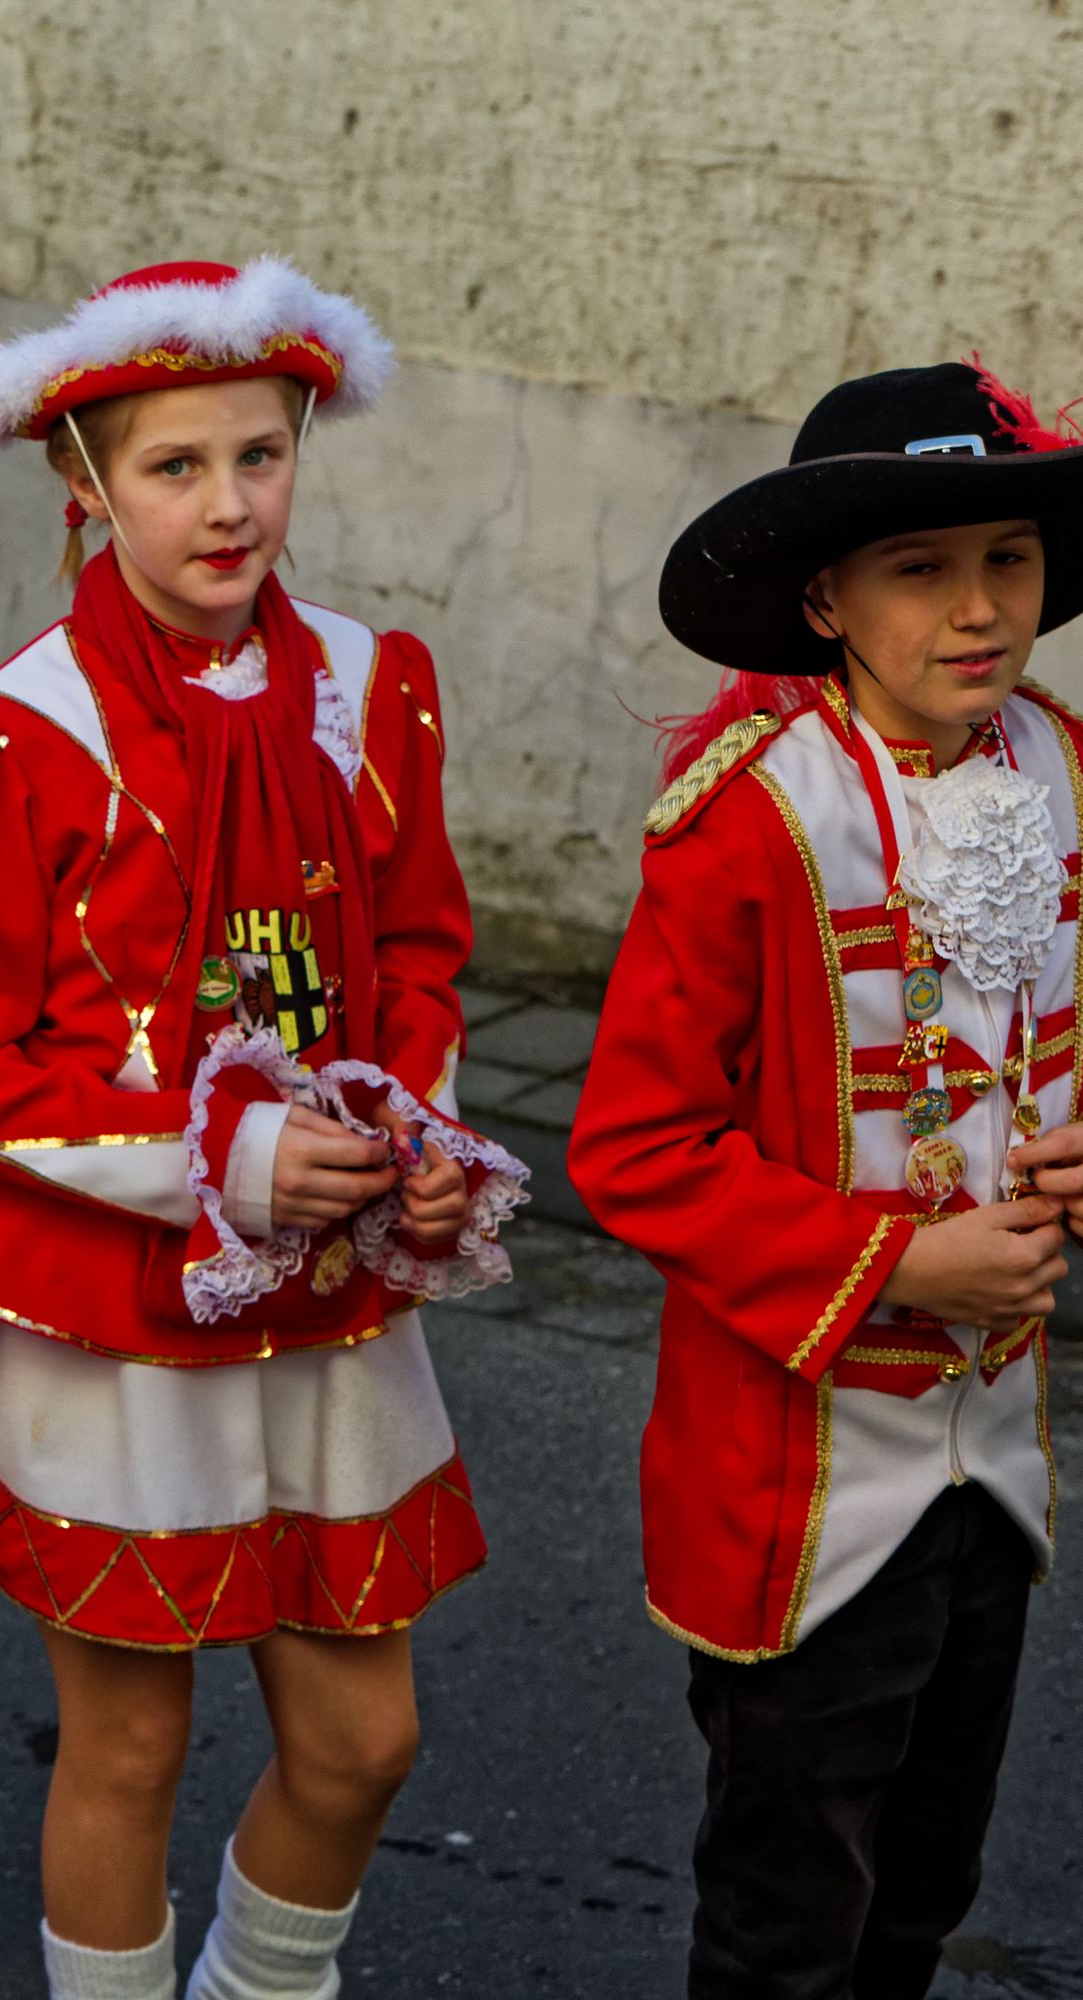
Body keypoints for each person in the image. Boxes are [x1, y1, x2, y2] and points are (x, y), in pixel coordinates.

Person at [0, 261, 529, 2000]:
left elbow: (415, 947)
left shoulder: (375, 685)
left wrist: (409, 1121)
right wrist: (227, 1162)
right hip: (114, 1302)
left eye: (258, 457)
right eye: (175, 467)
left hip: (327, 1290)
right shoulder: (8, 733)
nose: (227, 505)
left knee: (364, 1744)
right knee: (127, 1747)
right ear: (86, 484)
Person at [568, 362, 1083, 2000]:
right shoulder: (747, 827)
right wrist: (902, 1265)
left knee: (922, 1889)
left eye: (1007, 557)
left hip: (990, 1464)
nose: (979, 607)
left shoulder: (1066, 769)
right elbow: (635, 1152)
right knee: (789, 1918)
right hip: (803, 1473)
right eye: (921, 570)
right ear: (825, 598)